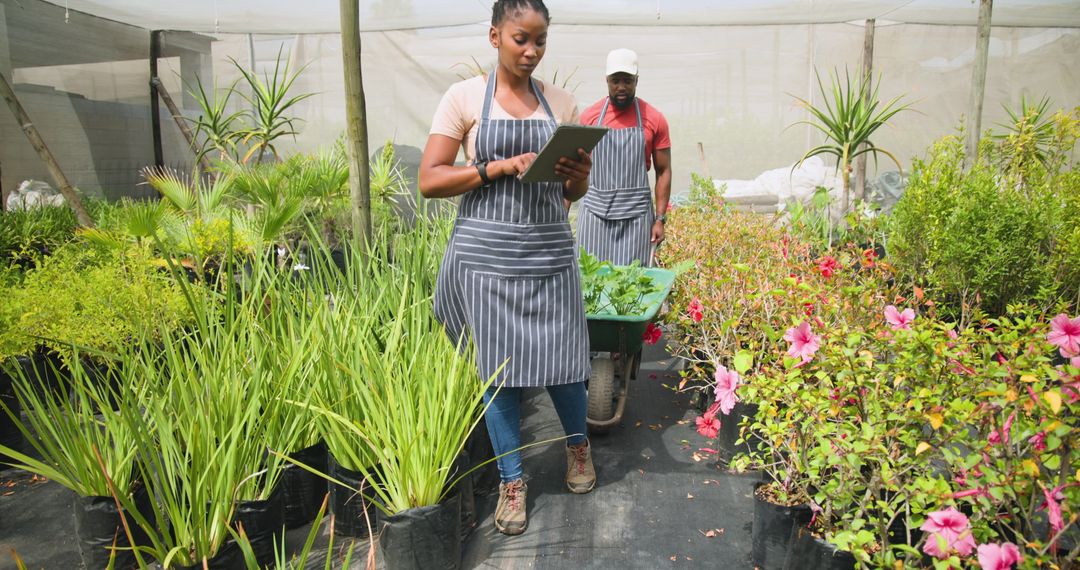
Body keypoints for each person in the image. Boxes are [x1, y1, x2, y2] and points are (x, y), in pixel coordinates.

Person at [418, 0, 596, 537]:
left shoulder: (562, 104)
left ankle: (578, 448)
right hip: (486, 259)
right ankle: (512, 481)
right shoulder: (465, 98)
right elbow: (430, 178)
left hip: (547, 251)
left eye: (541, 41)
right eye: (521, 39)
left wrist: (579, 173)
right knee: (499, 375)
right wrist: (497, 166)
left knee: (566, 360)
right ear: (495, 35)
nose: (532, 51)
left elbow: (572, 194)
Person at [577, 48, 672, 266]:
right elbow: (573, 169)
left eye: (627, 80)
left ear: (637, 80)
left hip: (636, 220)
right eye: (615, 80)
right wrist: (561, 218)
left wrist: (660, 219)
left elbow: (663, 170)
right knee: (590, 283)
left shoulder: (654, 119)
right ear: (606, 81)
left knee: (633, 285)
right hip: (595, 216)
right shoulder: (589, 117)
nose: (621, 87)